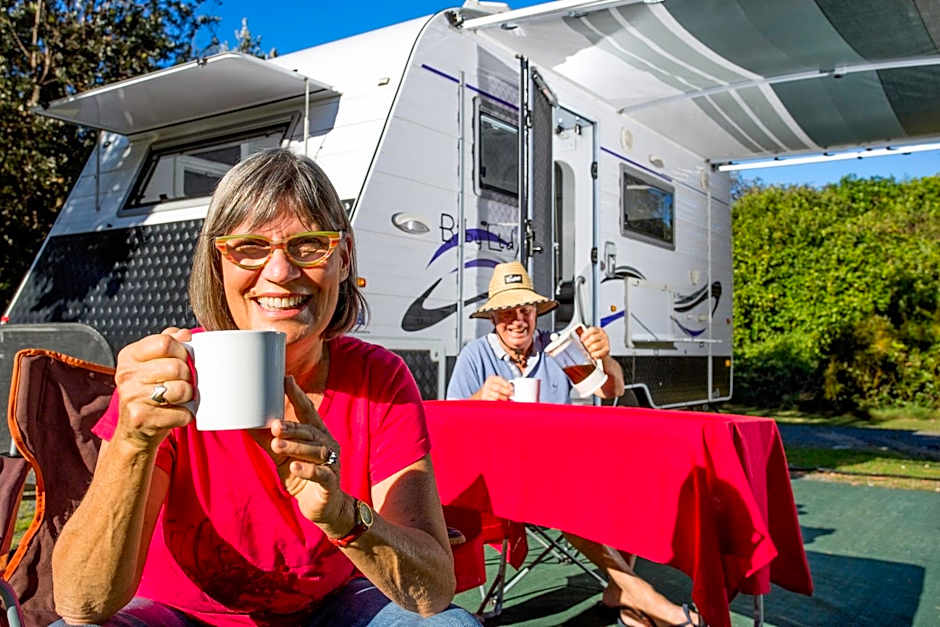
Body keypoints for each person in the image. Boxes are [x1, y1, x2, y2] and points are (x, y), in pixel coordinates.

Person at [51, 149, 478, 626]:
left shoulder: (378, 379)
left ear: (343, 258)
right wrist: (131, 442)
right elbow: (80, 605)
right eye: (249, 247)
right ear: (218, 264)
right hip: (176, 616)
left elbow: (432, 591)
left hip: (327, 611)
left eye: (309, 245)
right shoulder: (171, 374)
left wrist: (341, 512)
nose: (280, 272)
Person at [446, 261, 704, 627]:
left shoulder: (556, 348)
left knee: (633, 476)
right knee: (570, 495)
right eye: (507, 311)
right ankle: (647, 598)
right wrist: (478, 399)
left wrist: (605, 358)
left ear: (537, 312)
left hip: (562, 465)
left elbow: (609, 389)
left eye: (525, 309)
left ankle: (618, 590)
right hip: (501, 479)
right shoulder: (477, 355)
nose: (517, 319)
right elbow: (449, 425)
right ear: (493, 318)